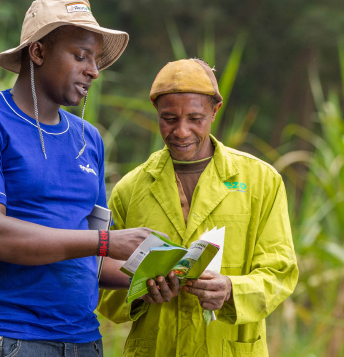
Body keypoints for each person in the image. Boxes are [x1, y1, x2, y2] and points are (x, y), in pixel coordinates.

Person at [0, 1, 158, 355]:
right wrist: (105, 241)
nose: (94, 71)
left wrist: (152, 274)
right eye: (81, 56)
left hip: (83, 340)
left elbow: (93, 255)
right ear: (38, 52)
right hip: (8, 337)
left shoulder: (89, 139)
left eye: (97, 60)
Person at [97, 58, 299, 356]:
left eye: (195, 118)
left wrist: (231, 289)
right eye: (169, 119)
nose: (181, 131)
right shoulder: (130, 189)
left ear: (215, 111)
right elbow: (99, 282)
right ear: (156, 113)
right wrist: (140, 293)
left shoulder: (260, 181)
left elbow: (280, 272)